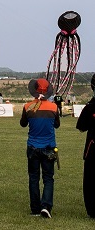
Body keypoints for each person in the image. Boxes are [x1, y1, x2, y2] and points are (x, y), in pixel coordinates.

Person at [20, 78, 60, 218]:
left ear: (34, 91)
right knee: (48, 178)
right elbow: (57, 125)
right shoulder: (54, 107)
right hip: (49, 146)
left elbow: (23, 124)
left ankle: (35, 208)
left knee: (33, 178)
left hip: (33, 147)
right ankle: (46, 206)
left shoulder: (27, 107)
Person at [76, 73, 95, 218]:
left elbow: (81, 126)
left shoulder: (90, 107)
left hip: (92, 150)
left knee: (90, 181)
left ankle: (92, 210)